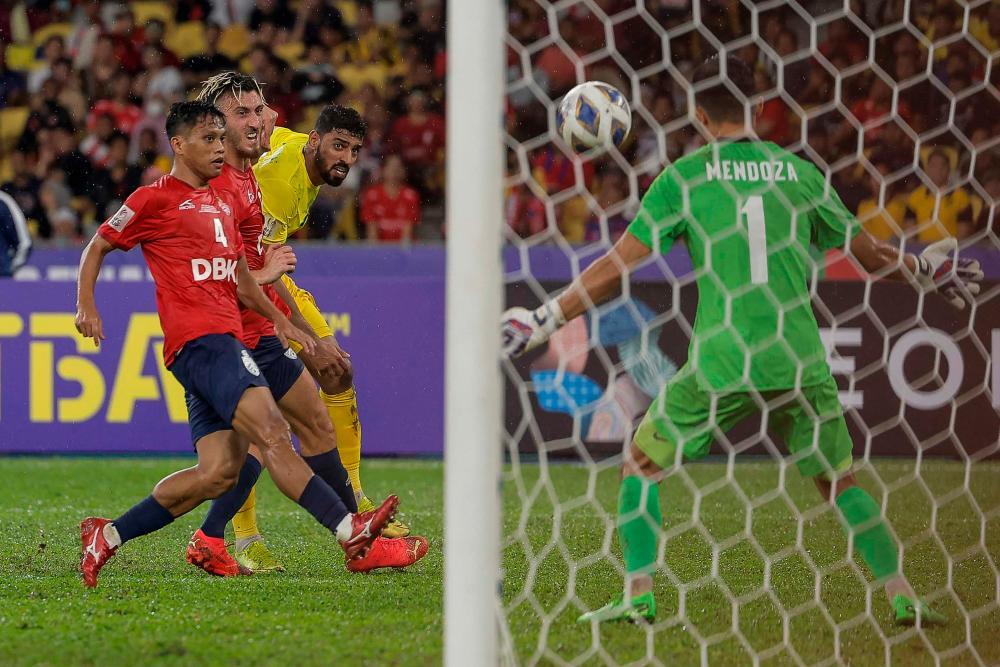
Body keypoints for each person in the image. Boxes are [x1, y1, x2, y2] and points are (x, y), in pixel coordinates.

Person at [501, 55, 983, 625]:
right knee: (839, 483)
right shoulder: (800, 174)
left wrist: (546, 316)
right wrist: (926, 271)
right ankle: (904, 595)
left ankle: (637, 593)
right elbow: (870, 255)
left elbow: (615, 267)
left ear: (700, 116)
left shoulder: (685, 177)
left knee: (639, 463)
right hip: (799, 357)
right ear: (758, 109)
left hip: (723, 359)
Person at [75, 101, 399, 588]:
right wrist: (87, 305)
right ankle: (350, 529)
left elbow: (243, 279)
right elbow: (98, 243)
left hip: (230, 339)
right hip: (201, 342)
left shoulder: (219, 204)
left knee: (219, 472)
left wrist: (283, 321)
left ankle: (109, 535)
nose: (218, 149)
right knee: (272, 434)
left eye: (219, 139)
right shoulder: (153, 199)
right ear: (179, 145)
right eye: (209, 140)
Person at [192, 72, 427, 574]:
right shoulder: (272, 187)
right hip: (248, 284)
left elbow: (265, 124)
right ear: (317, 141)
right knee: (258, 430)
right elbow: (251, 272)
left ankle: (357, 507)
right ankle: (243, 536)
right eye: (337, 146)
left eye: (352, 150)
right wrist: (291, 325)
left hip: (269, 272)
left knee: (336, 371)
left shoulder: (293, 142)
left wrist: (255, 113)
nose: (344, 158)